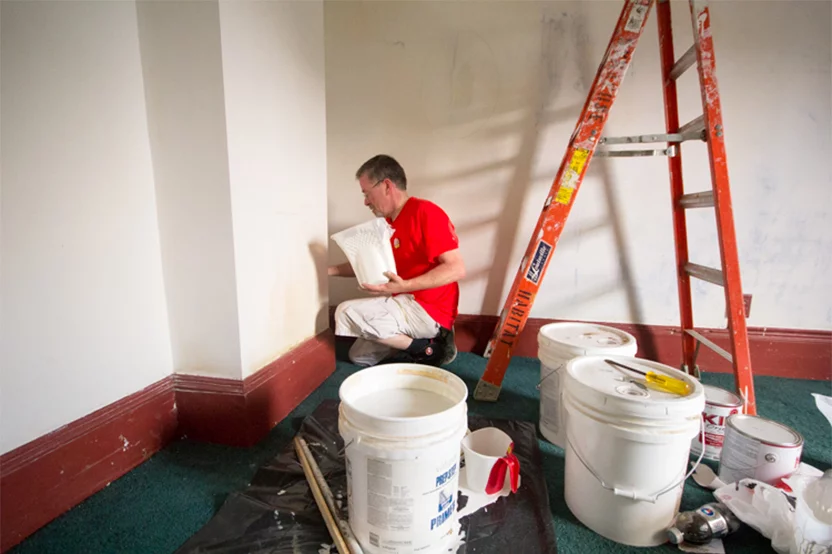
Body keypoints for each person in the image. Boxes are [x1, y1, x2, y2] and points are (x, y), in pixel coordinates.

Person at [329, 154, 465, 367]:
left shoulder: (425, 212)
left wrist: (406, 285)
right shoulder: (385, 225)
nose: (365, 201)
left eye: (367, 193)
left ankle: (428, 348)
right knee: (360, 356)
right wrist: (328, 271)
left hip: (427, 309)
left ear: (386, 186)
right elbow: (365, 263)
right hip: (401, 303)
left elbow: (456, 268)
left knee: (346, 312)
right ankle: (417, 342)